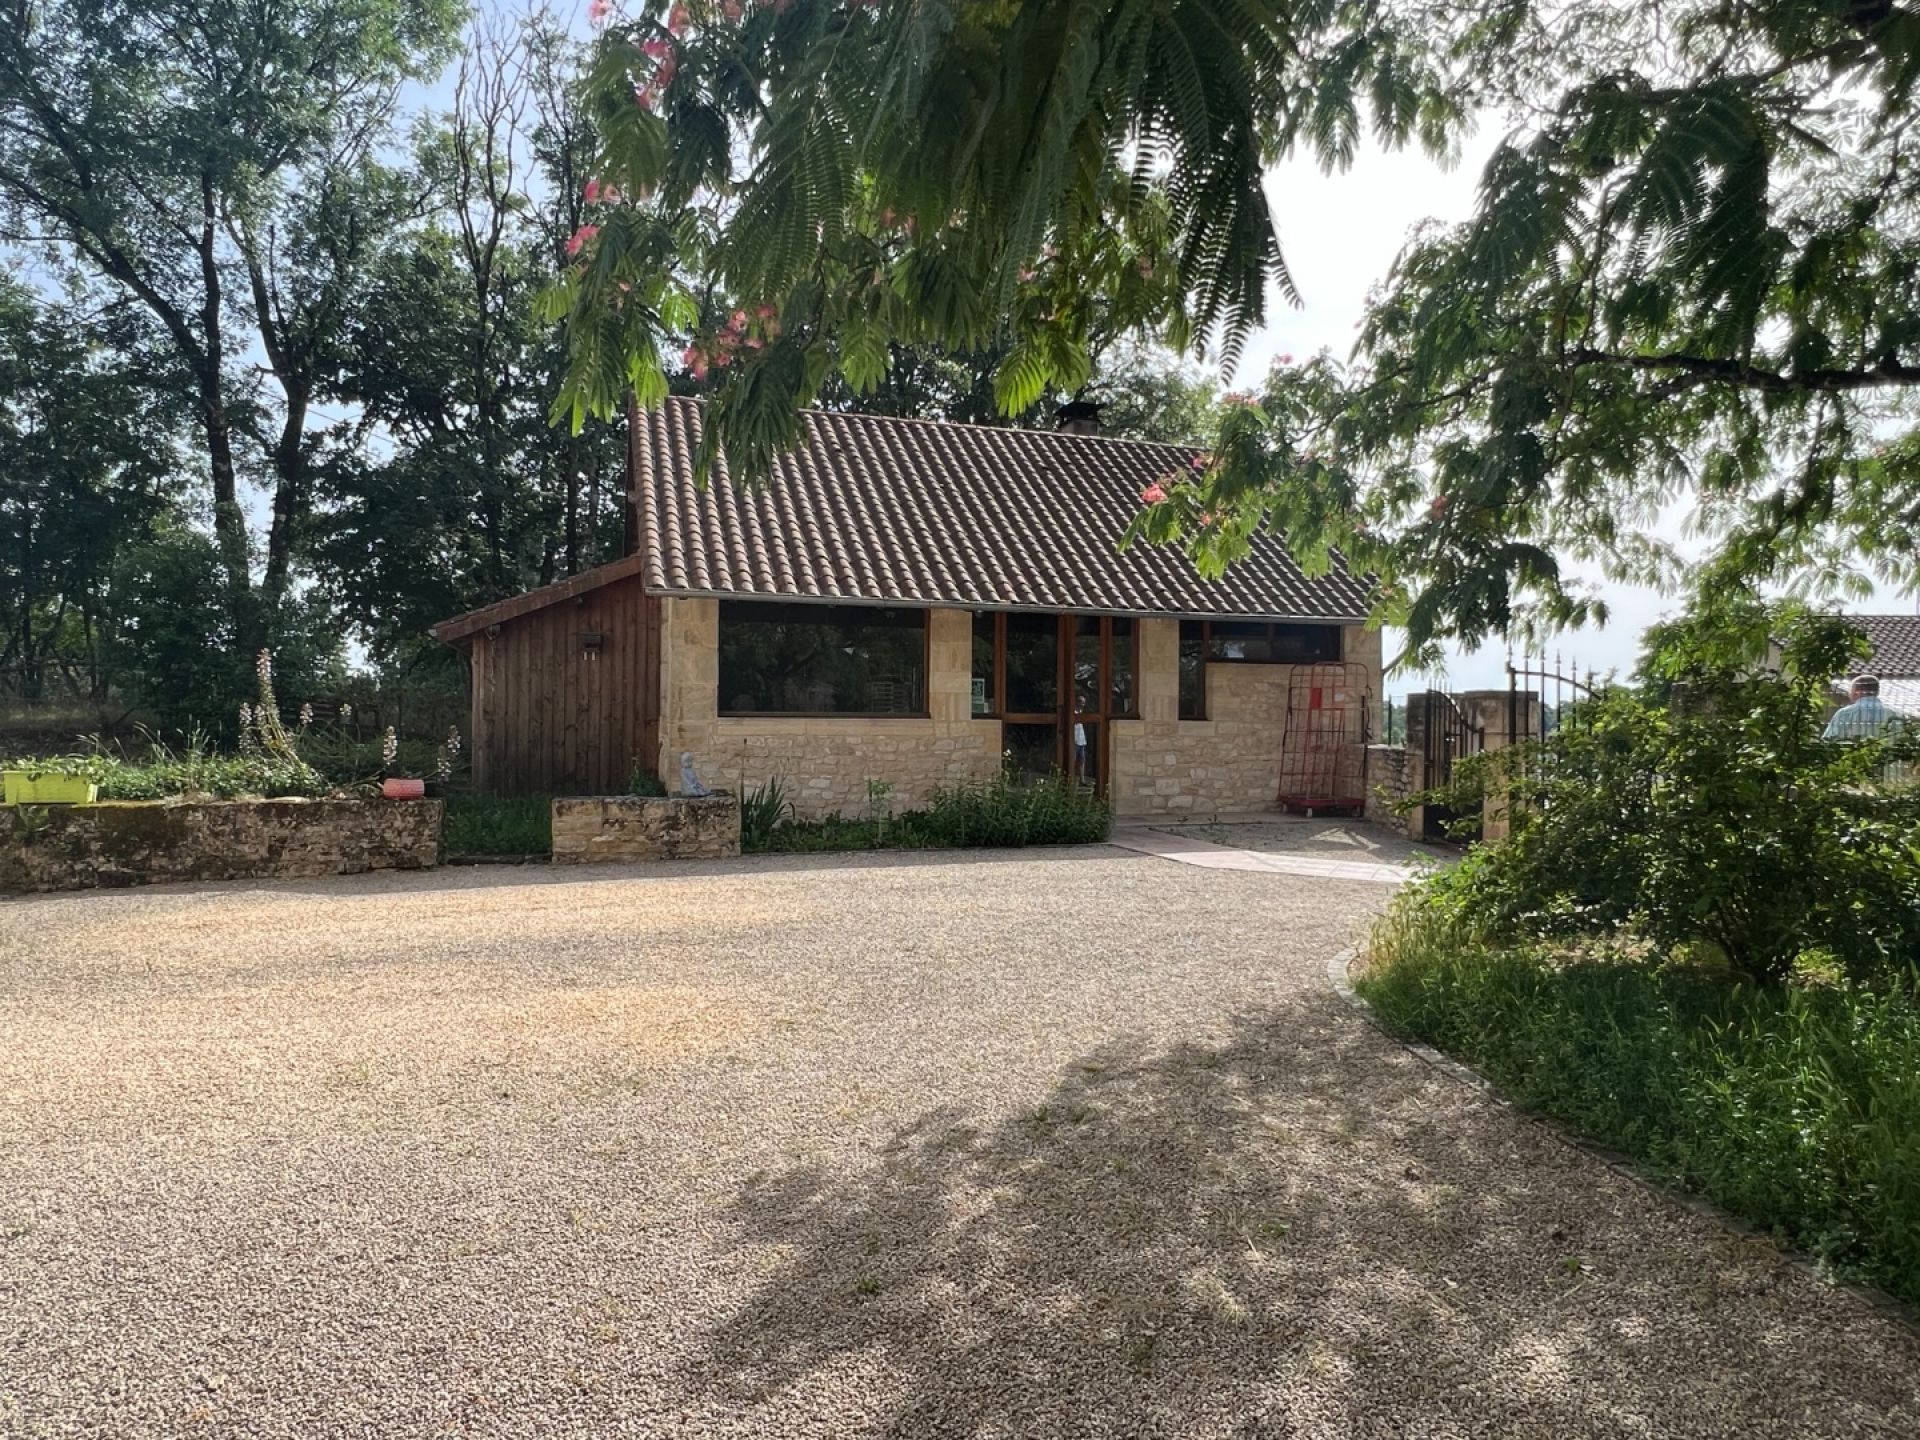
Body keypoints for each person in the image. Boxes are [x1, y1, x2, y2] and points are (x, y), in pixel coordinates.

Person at [1823, 674, 1899, 740]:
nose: (1849, 695)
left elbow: (1828, 740)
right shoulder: (1896, 715)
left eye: (1851, 691)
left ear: (1857, 691)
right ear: (1877, 692)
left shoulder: (1844, 714)